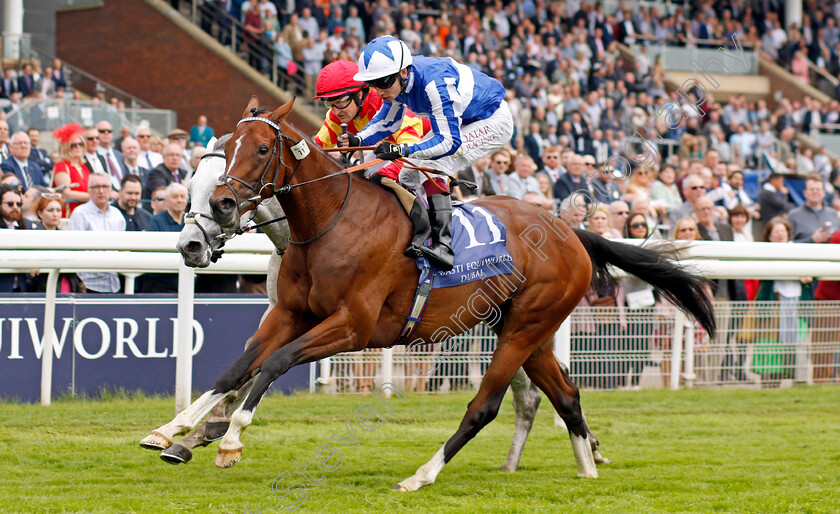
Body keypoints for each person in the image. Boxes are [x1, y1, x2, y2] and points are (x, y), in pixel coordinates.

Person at [347, 36, 514, 270]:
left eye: (382, 82)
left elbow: (448, 142)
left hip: (492, 120)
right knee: (407, 175)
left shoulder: (434, 85)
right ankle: (418, 232)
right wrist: (358, 139)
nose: (379, 91)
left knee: (435, 164)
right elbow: (388, 121)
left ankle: (444, 246)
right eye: (373, 84)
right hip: (463, 120)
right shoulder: (398, 83)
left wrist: (400, 149)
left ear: (403, 72)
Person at [67, 173, 126, 293]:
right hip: (88, 284)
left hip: (114, 283)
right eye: (96, 187)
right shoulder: (80, 214)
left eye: (105, 186)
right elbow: (74, 249)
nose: (101, 191)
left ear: (110, 189)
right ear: (89, 190)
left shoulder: (117, 215)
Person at [142, 183, 188, 293]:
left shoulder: (191, 221)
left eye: (182, 196)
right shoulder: (156, 220)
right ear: (166, 200)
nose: (179, 200)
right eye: (175, 196)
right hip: (161, 284)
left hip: (187, 282)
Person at [51, 123, 91, 215]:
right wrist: (93, 197)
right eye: (73, 145)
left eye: (80, 144)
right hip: (70, 214)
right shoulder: (61, 166)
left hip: (86, 212)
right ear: (66, 147)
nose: (78, 147)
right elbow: (66, 193)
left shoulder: (84, 167)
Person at [788, 174, 840, 243]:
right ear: (805, 193)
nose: (815, 192)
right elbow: (788, 244)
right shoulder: (793, 215)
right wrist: (812, 240)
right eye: (812, 189)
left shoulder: (833, 213)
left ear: (823, 193)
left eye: (818, 189)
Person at [0, 184, 32, 292]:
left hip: (21, 287)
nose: (15, 207)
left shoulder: (28, 225)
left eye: (18, 204)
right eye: (10, 204)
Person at [96, 120, 128, 191]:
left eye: (109, 131)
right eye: (102, 131)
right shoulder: (93, 155)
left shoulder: (119, 155)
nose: (106, 133)